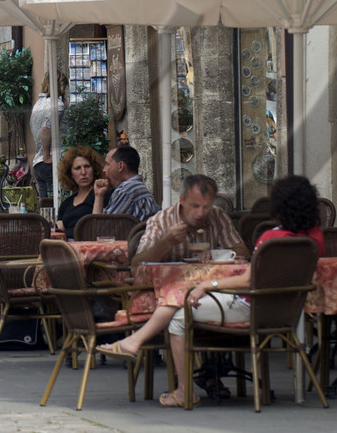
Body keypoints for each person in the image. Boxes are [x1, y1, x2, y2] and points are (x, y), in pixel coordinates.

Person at [98, 174, 248, 406]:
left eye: (206, 207)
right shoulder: (162, 220)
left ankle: (203, 376)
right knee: (183, 306)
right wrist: (166, 242)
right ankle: (198, 377)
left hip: (209, 293)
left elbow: (241, 251)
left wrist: (218, 254)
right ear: (181, 201)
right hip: (165, 294)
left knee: (195, 305)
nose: (201, 213)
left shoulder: (218, 218)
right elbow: (137, 265)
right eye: (195, 206)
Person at [97, 145, 160, 222]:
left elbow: (101, 228)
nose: (104, 169)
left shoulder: (126, 191)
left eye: (107, 164)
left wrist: (98, 197)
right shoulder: (136, 188)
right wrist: (99, 195)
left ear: (120, 166)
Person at [55, 146, 106, 237]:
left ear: (94, 169)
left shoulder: (102, 194)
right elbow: (58, 230)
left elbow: (97, 228)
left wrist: (99, 196)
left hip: (90, 245)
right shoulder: (66, 203)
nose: (83, 172)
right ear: (70, 174)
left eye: (87, 166)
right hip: (65, 247)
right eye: (77, 168)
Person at [28, 89, 61, 207]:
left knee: (44, 203)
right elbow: (46, 127)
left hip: (38, 161)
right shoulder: (57, 104)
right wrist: (46, 155)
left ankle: (44, 224)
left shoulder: (38, 104)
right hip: (48, 161)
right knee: (55, 202)